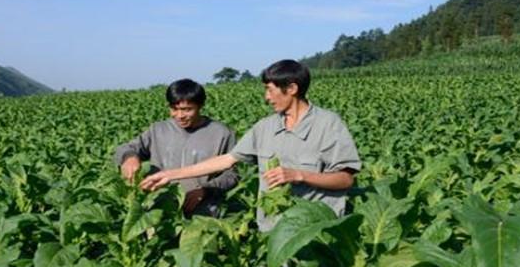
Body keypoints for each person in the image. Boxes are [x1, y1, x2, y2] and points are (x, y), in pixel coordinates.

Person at [140, 60, 361, 230]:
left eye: (270, 89)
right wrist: (171, 175)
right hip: (271, 230)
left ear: (291, 88)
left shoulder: (327, 124)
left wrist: (299, 175)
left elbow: (345, 179)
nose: (266, 97)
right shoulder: (265, 127)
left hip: (315, 233)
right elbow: (227, 160)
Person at [114, 78, 238, 217]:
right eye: (174, 109)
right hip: (159, 210)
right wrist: (129, 157)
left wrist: (205, 190)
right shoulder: (158, 130)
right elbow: (127, 148)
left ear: (200, 105)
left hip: (203, 211)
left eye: (187, 110)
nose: (179, 116)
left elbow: (231, 175)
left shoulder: (221, 133)